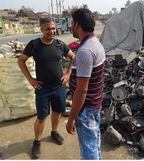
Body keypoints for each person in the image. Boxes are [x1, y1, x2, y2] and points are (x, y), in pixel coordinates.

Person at [18, 17, 75, 159]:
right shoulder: (35, 44)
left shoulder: (60, 45)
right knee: (42, 117)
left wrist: (68, 74)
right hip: (43, 89)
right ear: (41, 29)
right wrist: (30, 79)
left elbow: (74, 57)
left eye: (53, 28)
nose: (52, 31)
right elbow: (21, 60)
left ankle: (54, 132)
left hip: (59, 88)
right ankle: (37, 141)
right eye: (48, 29)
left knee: (57, 113)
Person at [66, 9, 105, 160]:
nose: (71, 26)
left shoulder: (84, 51)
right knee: (94, 143)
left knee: (89, 150)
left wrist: (71, 119)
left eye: (72, 23)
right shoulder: (96, 43)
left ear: (76, 24)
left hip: (86, 108)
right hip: (94, 104)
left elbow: (82, 91)